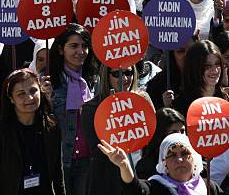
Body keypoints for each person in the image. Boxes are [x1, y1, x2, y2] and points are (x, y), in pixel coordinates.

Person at [0, 69, 65, 195]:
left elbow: (58, 175)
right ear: (11, 99)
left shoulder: (51, 127)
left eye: (33, 91)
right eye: (21, 94)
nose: (29, 97)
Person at [83, 63, 146, 195]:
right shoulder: (91, 108)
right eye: (117, 74)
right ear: (107, 77)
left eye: (128, 73)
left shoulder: (143, 102)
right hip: (106, 180)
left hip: (138, 176)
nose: (124, 78)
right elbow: (96, 148)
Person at [48, 24, 96, 195]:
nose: (80, 51)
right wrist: (45, 99)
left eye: (85, 46)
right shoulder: (49, 82)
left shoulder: (94, 81)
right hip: (60, 161)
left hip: (87, 159)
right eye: (74, 46)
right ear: (61, 50)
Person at [99, 133, 224, 194]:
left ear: (195, 159)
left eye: (185, 154)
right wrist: (124, 166)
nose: (179, 159)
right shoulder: (156, 188)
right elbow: (135, 190)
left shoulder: (209, 187)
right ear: (164, 164)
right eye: (172, 155)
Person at [167, 40, 229, 116]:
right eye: (207, 66)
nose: (215, 70)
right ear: (194, 68)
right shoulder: (182, 104)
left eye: (217, 64)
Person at [136, 108, 186, 180]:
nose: (179, 136)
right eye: (173, 132)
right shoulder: (145, 167)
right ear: (160, 135)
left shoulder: (192, 158)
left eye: (182, 131)